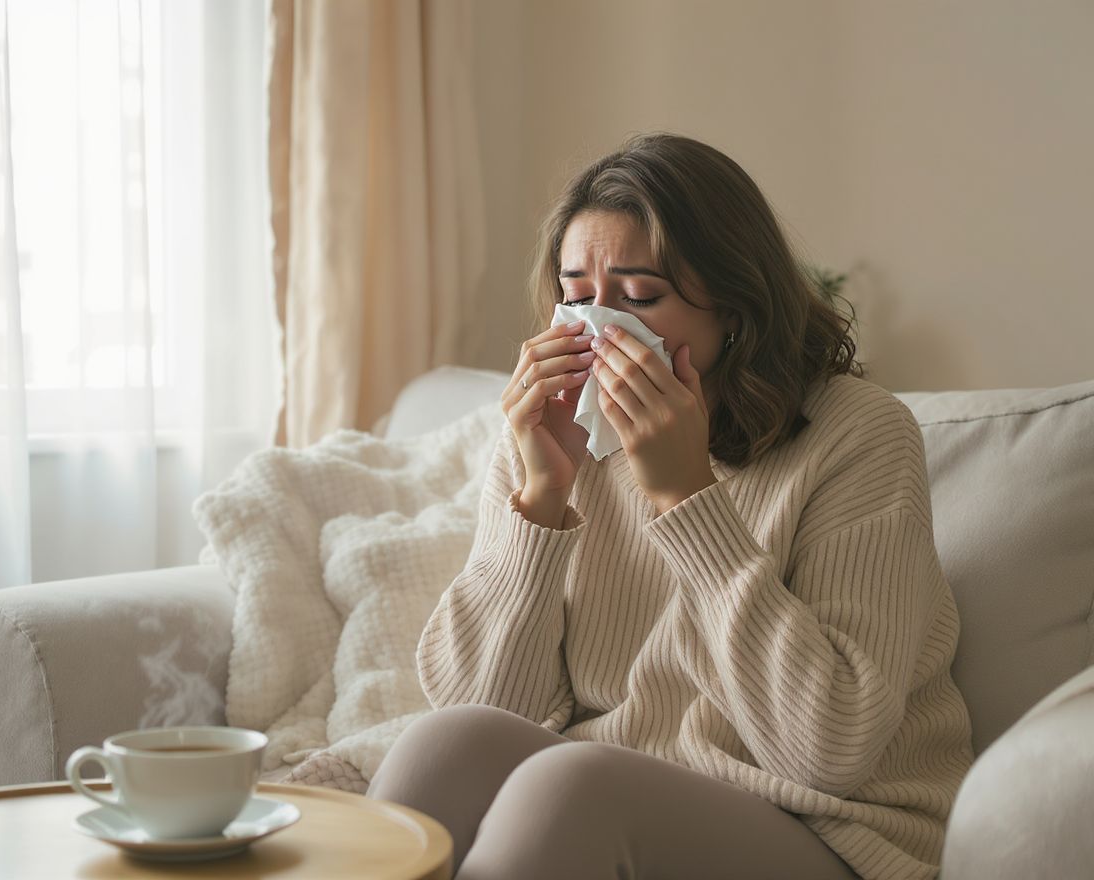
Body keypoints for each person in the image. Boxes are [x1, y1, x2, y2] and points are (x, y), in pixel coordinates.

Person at [367, 133, 974, 880]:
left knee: (570, 788)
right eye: (576, 297)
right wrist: (542, 498)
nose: (598, 327)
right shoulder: (552, 435)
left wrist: (686, 495)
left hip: (829, 831)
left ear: (734, 304)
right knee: (443, 746)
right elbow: (491, 708)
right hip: (617, 792)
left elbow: (827, 751)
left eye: (640, 298)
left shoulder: (859, 433)